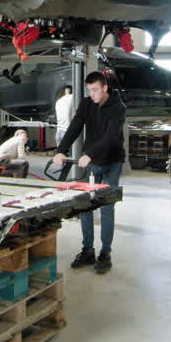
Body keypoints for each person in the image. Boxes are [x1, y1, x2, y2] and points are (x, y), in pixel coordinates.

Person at [52, 71, 125, 274]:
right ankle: (87, 251)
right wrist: (61, 150)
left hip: (111, 161)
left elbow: (111, 137)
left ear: (104, 88)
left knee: (106, 207)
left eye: (95, 90)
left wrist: (90, 154)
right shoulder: (86, 104)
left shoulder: (118, 108)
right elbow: (75, 126)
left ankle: (105, 253)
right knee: (85, 205)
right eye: (89, 90)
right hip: (90, 161)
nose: (92, 94)